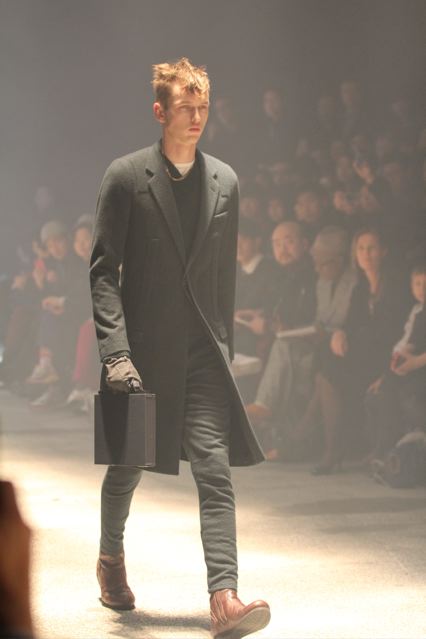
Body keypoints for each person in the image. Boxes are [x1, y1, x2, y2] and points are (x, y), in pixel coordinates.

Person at [90, 58, 270, 639]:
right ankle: (110, 559)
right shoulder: (126, 176)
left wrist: (224, 348)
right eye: (185, 108)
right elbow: (103, 271)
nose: (196, 117)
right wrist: (115, 353)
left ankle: (225, 597)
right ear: (159, 111)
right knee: (126, 467)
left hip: (202, 355)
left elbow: (222, 279)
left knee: (214, 470)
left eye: (203, 107)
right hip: (139, 354)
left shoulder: (225, 181)